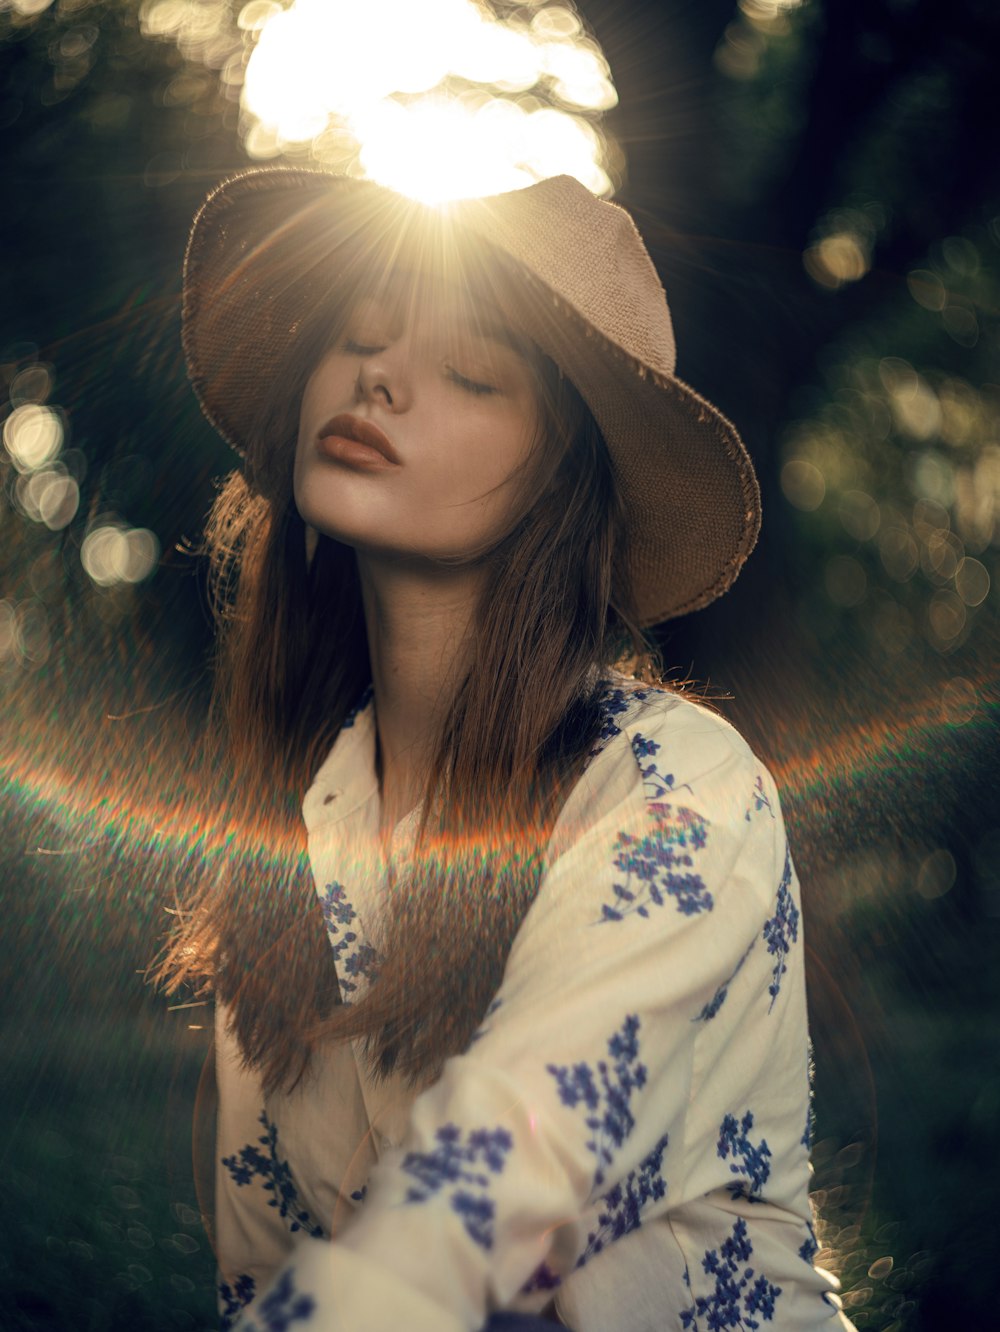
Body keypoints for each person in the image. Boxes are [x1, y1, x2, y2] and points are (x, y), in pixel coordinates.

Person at [161, 167, 855, 1332]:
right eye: (358, 337)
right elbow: (262, 1274)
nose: (377, 375)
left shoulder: (679, 789)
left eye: (472, 373)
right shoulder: (297, 826)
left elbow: (486, 1193)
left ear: (563, 479)